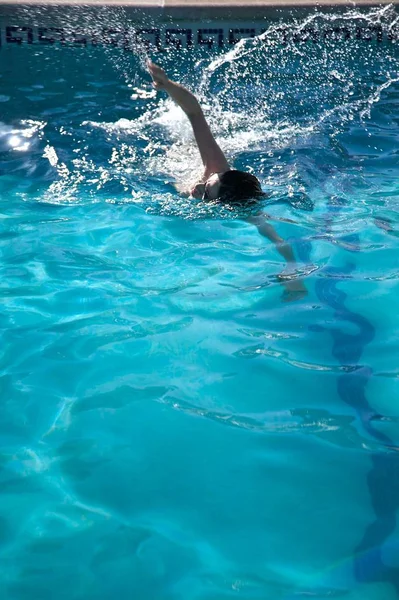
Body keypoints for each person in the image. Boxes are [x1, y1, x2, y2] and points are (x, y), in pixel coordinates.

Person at [147, 60, 307, 300]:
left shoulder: (244, 212)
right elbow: (194, 112)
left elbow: (278, 239)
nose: (199, 185)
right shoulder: (216, 169)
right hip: (179, 156)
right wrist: (168, 85)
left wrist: (292, 271)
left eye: (206, 192)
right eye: (208, 182)